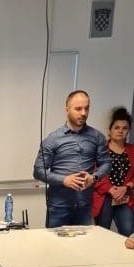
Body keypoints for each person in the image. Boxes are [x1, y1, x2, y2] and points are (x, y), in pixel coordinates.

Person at [33, 90, 110, 228]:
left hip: (84, 206)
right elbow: (38, 171)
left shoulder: (97, 137)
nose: (83, 113)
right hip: (58, 206)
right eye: (78, 109)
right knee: (54, 242)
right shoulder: (52, 139)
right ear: (67, 109)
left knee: (82, 241)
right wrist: (64, 180)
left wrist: (94, 177)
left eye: (86, 108)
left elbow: (106, 164)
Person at [92, 107, 134, 236]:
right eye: (117, 127)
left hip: (124, 197)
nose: (120, 131)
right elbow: (94, 174)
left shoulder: (132, 150)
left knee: (128, 231)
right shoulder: (100, 150)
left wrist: (126, 187)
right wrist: (110, 189)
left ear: (129, 130)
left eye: (125, 128)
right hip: (104, 197)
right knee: (103, 233)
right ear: (110, 130)